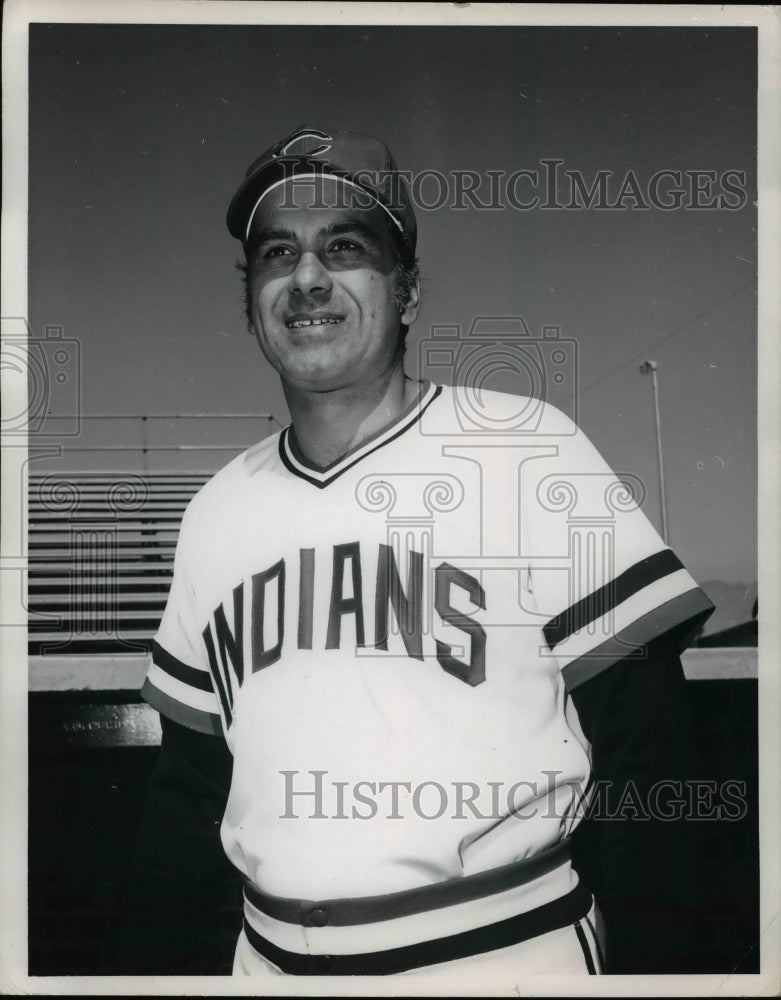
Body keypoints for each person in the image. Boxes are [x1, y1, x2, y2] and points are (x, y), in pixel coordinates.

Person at [121, 125, 714, 979]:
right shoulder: (216, 510)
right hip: (270, 963)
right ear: (245, 297)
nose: (307, 278)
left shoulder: (523, 446)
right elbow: (186, 793)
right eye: (276, 253)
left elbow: (648, 747)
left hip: (504, 951)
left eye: (346, 246)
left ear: (406, 290)